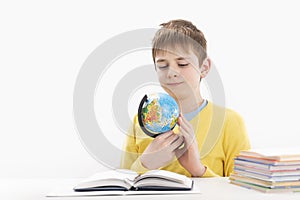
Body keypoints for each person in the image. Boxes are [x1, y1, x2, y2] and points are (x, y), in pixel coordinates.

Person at [120, 19, 250, 177]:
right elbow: (122, 184)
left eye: (182, 64)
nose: (171, 73)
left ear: (204, 67)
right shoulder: (139, 122)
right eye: (162, 65)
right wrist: (145, 163)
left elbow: (242, 190)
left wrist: (197, 170)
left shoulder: (229, 122)